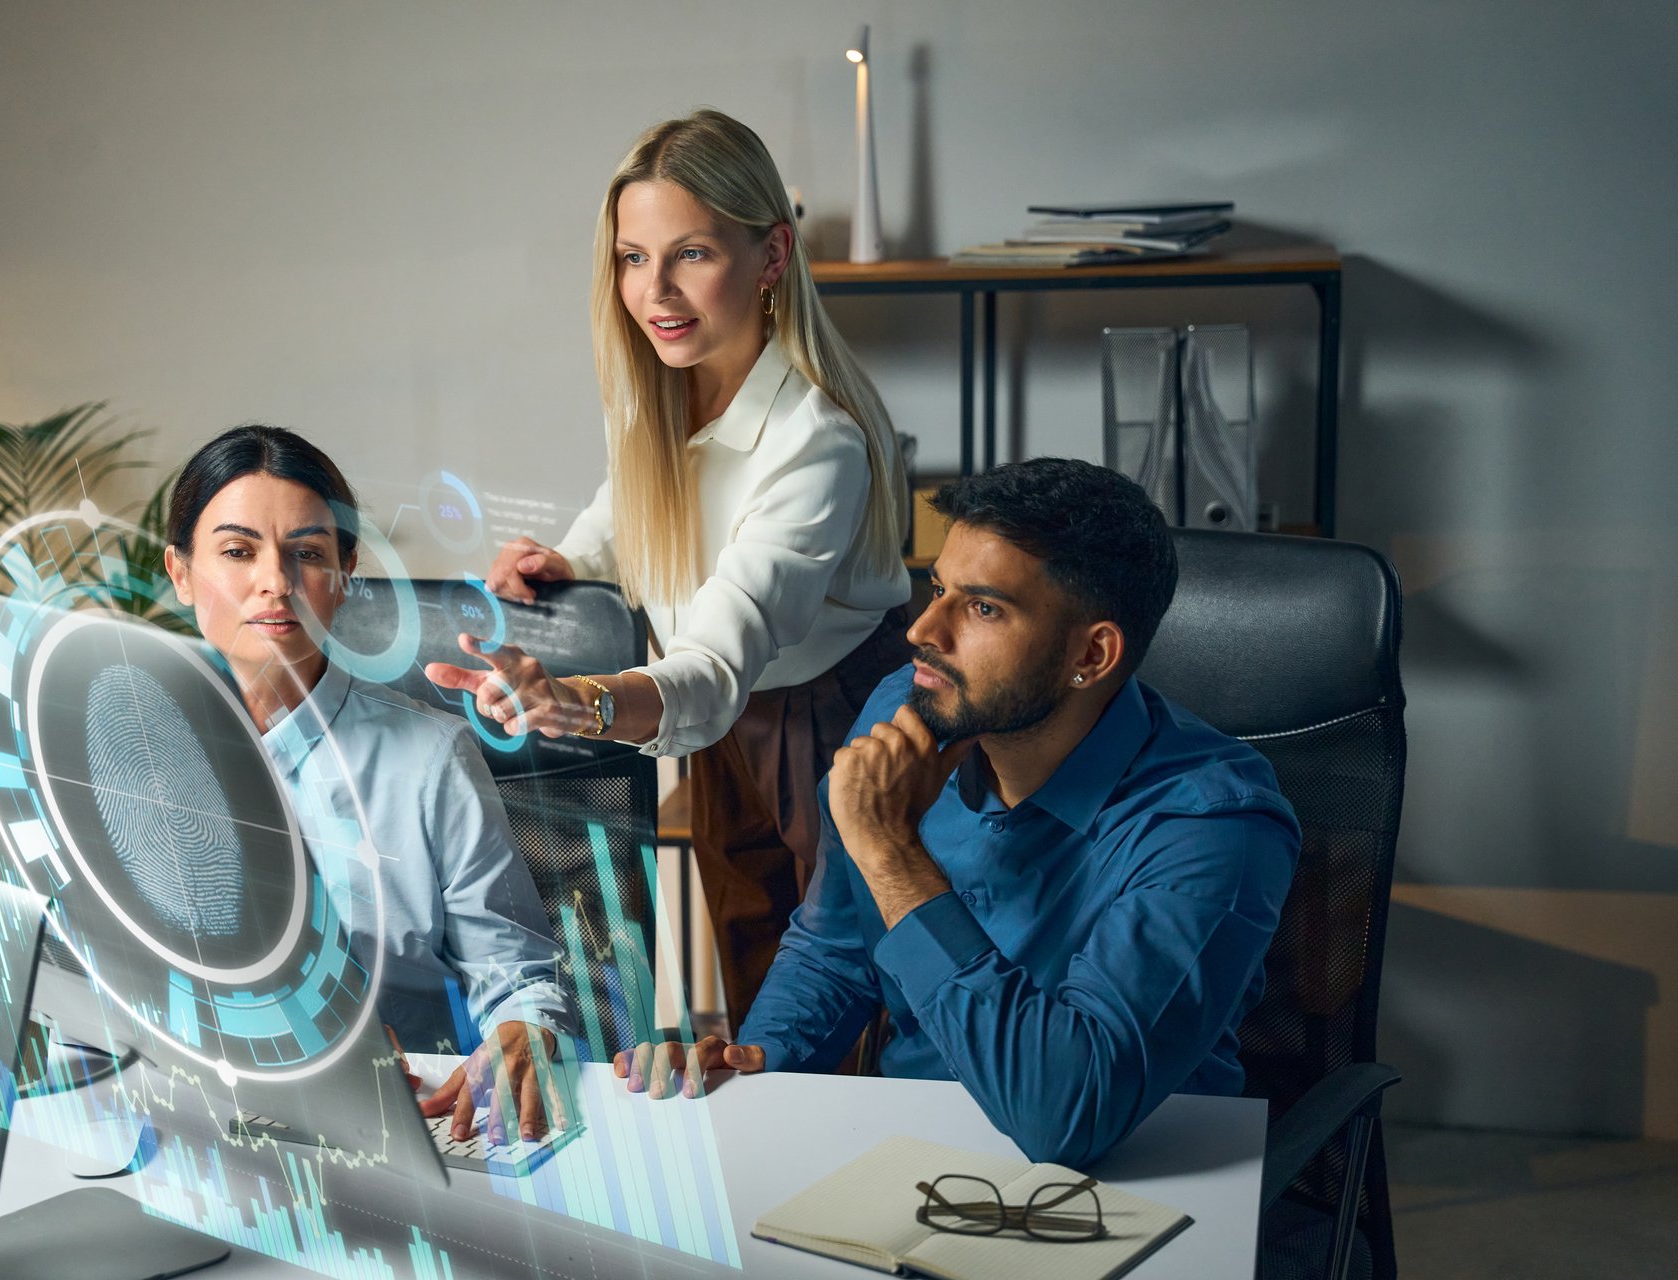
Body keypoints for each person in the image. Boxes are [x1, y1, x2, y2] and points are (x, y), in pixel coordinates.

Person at [612, 458, 1301, 1168]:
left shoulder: (1215, 823)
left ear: (1092, 654)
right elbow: (835, 952)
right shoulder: (905, 710)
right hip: (905, 1151)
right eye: (936, 588)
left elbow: (1068, 1115)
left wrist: (890, 852)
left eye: (983, 607)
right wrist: (759, 1066)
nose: (922, 630)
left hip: (1131, 1184)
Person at [426, 109, 912, 1030]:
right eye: (633, 257)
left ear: (771, 257)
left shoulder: (819, 441)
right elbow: (633, 509)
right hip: (720, 722)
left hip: (837, 715)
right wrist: (568, 556)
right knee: (749, 962)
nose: (656, 291)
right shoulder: (662, 388)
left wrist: (589, 703)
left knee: (852, 998)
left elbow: (723, 651)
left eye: (690, 253)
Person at [162, 424, 572, 1142]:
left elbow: (517, 975)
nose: (275, 582)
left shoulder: (429, 759)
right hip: (188, 1113)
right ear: (180, 573)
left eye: (308, 554)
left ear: (345, 574)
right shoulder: (127, 745)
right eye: (236, 551)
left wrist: (521, 1033)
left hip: (395, 1125)